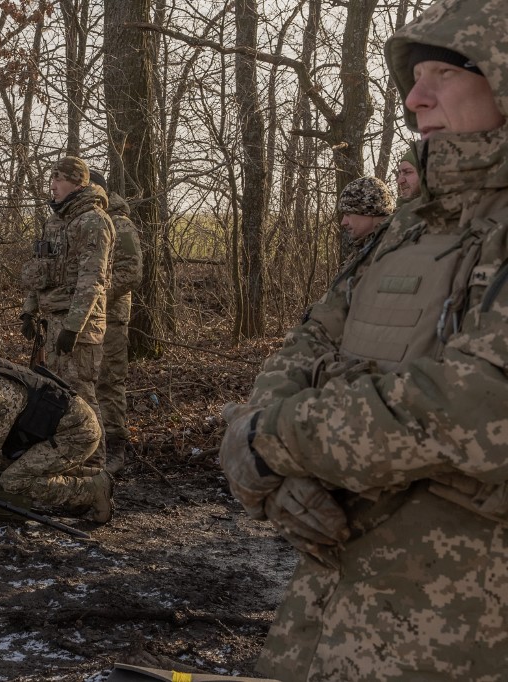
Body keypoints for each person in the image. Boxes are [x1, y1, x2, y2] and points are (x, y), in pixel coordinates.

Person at [219, 1, 508, 678]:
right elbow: (309, 342)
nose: (415, 97)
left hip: (465, 620)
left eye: (444, 72)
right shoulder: (413, 224)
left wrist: (275, 441)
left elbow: (478, 406)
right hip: (333, 597)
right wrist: (266, 472)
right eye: (414, 76)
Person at [0, 349, 114, 523]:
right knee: (0, 466)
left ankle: (92, 490)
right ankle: (89, 475)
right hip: (58, 430)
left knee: (14, 481)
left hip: (77, 434)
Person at [20, 156, 115, 465]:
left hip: (79, 326)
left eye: (59, 179)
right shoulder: (55, 221)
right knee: (58, 395)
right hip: (52, 320)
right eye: (51, 178)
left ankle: (96, 464)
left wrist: (73, 327)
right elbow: (39, 269)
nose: (53, 185)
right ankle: (72, 456)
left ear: (78, 183)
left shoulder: (94, 220)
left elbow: (93, 279)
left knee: (81, 395)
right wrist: (29, 311)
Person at [89, 170, 143, 474]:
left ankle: (115, 447)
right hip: (85, 319)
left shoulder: (120, 224)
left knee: (109, 383)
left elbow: (131, 272)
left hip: (110, 318)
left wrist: (94, 297)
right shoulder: (87, 222)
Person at [336, 175, 394, 248]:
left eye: (348, 214)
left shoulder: (391, 247)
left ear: (371, 210)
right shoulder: (369, 247)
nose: (343, 222)